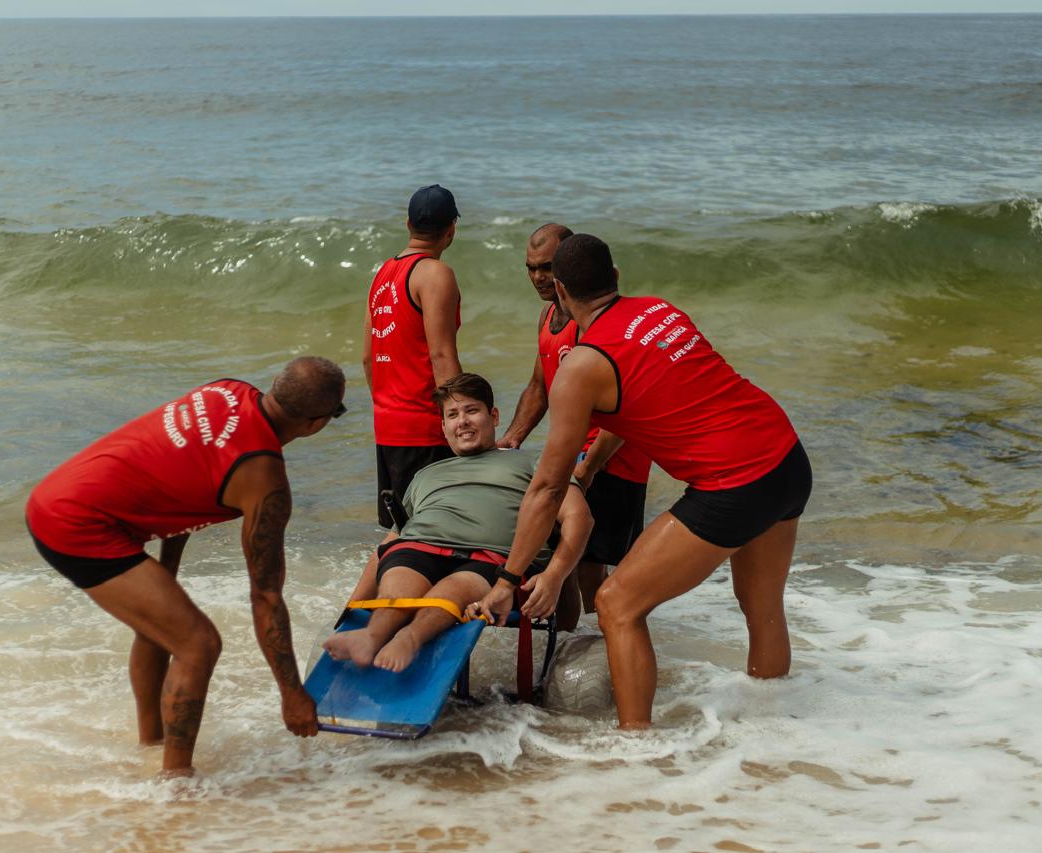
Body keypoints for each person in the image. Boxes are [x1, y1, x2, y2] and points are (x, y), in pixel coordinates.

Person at [472, 234, 812, 730]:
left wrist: (508, 579)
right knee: (761, 608)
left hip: (734, 483)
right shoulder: (660, 311)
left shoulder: (581, 367)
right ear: (615, 277)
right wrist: (590, 468)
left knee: (616, 604)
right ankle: (770, 729)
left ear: (561, 291)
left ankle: (636, 750)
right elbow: (638, 405)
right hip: (785, 457)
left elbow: (547, 487)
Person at [25, 357, 347, 774]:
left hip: (57, 494)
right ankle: (176, 782)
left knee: (162, 624)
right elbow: (266, 596)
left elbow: (177, 475)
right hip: (79, 527)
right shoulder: (263, 478)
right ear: (316, 424)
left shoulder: (225, 390)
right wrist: (292, 693)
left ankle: (151, 743)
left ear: (274, 386)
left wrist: (165, 572)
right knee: (198, 644)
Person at [323, 373, 591, 673]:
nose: (461, 421)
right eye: (452, 415)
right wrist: (350, 612)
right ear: (443, 427)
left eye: (471, 411)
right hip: (419, 546)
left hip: (493, 560)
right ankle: (371, 635)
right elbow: (390, 542)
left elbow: (579, 518)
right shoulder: (426, 474)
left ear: (494, 416)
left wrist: (554, 576)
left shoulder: (536, 463)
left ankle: (410, 638)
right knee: (398, 581)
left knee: (454, 588)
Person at [498, 223, 652, 621]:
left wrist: (588, 469)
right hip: (574, 458)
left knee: (589, 567)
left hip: (612, 459)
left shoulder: (595, 320)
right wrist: (511, 438)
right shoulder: (549, 314)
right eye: (530, 267)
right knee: (560, 561)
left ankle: (603, 649)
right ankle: (570, 643)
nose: (538, 277)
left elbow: (627, 408)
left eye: (547, 267)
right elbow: (539, 385)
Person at [363, 184, 465, 530]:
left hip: (388, 426)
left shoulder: (382, 275)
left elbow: (367, 358)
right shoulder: (435, 273)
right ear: (451, 229)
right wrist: (460, 420)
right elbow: (441, 355)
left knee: (402, 529)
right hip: (424, 429)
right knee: (434, 531)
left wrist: (388, 408)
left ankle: (378, 586)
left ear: (408, 224)